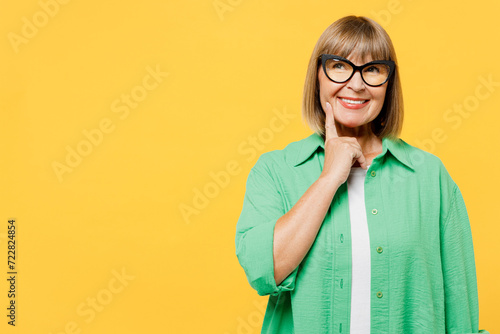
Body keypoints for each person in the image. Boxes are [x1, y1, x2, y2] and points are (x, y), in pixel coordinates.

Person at [234, 15, 489, 334]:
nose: (356, 84)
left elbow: (460, 308)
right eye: (339, 65)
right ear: (318, 76)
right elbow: (263, 270)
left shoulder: (430, 176)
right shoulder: (275, 170)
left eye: (372, 70)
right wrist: (329, 178)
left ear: (388, 83)